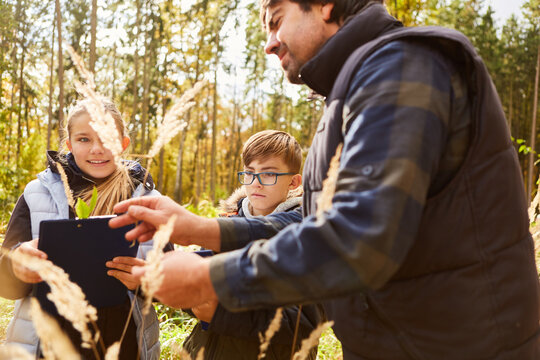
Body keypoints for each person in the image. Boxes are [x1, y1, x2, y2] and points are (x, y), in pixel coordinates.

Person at [110, 1, 540, 359]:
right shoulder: (354, 89)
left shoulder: (402, 67)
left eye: (276, 19)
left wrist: (209, 279)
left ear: (324, 5)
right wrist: (196, 226)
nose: (269, 43)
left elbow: (359, 238)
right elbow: (308, 226)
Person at [0, 99, 163, 359]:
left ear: (123, 144)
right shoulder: (36, 194)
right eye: (84, 139)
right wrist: (17, 265)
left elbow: (170, 279)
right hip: (48, 345)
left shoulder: (149, 200)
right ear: (69, 144)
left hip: (124, 346)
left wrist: (147, 282)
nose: (97, 149)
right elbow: (5, 285)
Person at [179, 129, 321, 359]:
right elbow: (191, 290)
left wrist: (221, 314)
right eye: (249, 173)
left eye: (268, 174)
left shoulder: (307, 237)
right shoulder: (224, 226)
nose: (255, 183)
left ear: (294, 181)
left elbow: (305, 325)